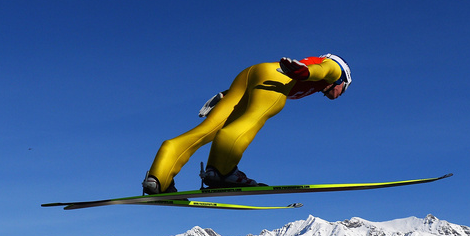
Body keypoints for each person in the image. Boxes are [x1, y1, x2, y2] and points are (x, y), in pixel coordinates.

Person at [142, 54, 352, 194]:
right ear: (343, 82)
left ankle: (159, 177)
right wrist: (305, 73)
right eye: (343, 90)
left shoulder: (316, 85)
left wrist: (225, 94)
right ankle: (222, 173)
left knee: (207, 130)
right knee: (250, 121)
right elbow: (325, 69)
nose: (339, 95)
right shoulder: (337, 69)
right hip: (275, 78)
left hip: (251, 74)